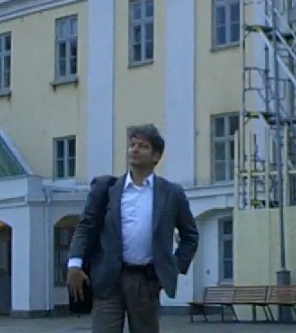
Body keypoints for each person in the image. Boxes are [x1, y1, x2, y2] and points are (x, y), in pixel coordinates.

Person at [67, 124, 199, 333]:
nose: (135, 149)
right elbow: (86, 226)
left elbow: (190, 236)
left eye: (143, 146)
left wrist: (171, 268)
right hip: (108, 277)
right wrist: (74, 264)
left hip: (146, 280)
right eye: (132, 145)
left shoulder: (171, 193)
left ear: (156, 156)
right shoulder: (107, 189)